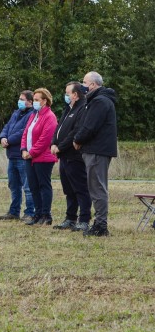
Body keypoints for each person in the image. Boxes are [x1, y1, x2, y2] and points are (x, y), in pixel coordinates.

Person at [72, 71, 118, 237]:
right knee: (96, 187)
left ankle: (100, 226)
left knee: (97, 188)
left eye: (84, 82)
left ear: (92, 85)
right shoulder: (99, 100)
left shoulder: (99, 101)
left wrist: (77, 140)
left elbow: (90, 126)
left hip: (97, 150)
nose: (82, 85)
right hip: (97, 149)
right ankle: (99, 223)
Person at [51, 81, 92, 233]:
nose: (66, 96)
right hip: (63, 156)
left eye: (68, 93)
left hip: (75, 156)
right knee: (68, 189)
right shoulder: (68, 108)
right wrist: (53, 143)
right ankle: (70, 218)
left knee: (80, 189)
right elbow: (58, 128)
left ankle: (84, 219)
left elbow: (75, 132)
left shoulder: (82, 108)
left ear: (75, 94)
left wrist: (60, 146)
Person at [21, 88, 58, 225]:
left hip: (43, 158)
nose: (34, 102)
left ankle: (46, 215)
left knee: (43, 185)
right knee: (33, 186)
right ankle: (37, 214)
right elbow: (26, 133)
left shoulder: (50, 117)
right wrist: (24, 149)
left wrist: (32, 152)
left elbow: (45, 139)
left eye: (36, 100)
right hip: (29, 157)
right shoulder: (33, 115)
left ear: (45, 101)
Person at [0, 90, 35, 222]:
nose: (19, 101)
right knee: (14, 185)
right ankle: (14, 211)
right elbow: (7, 127)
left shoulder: (32, 114)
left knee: (27, 186)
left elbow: (23, 132)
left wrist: (9, 140)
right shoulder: (16, 113)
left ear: (30, 101)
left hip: (22, 155)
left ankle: (30, 212)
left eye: (22, 99)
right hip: (12, 155)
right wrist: (2, 137)